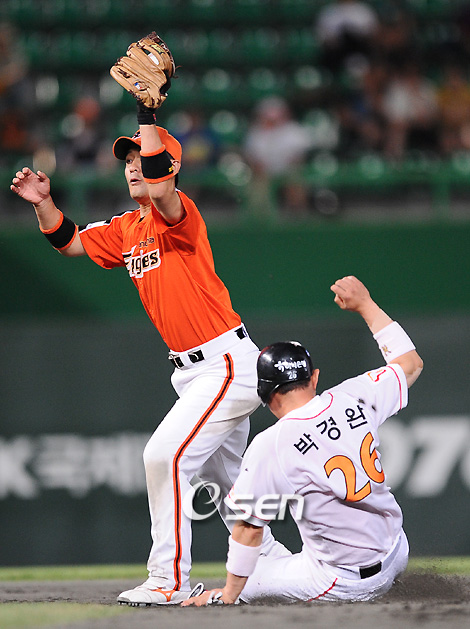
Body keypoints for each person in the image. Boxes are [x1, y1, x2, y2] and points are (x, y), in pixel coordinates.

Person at [10, 106, 287, 605]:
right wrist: (44, 203)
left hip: (225, 363)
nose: (133, 166)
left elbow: (163, 190)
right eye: (128, 160)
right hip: (195, 371)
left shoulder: (180, 214)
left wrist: (146, 115)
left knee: (164, 456)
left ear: (169, 168)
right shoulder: (127, 227)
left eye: (142, 158)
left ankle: (169, 577)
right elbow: (69, 242)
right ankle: (275, 567)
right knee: (228, 483)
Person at [183, 275, 423, 606]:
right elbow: (410, 364)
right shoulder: (354, 395)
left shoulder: (272, 444)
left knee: (248, 580)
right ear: (314, 377)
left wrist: (231, 593)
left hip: (343, 580)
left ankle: (222, 598)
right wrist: (366, 305)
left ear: (263, 394)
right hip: (397, 551)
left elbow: (249, 529)